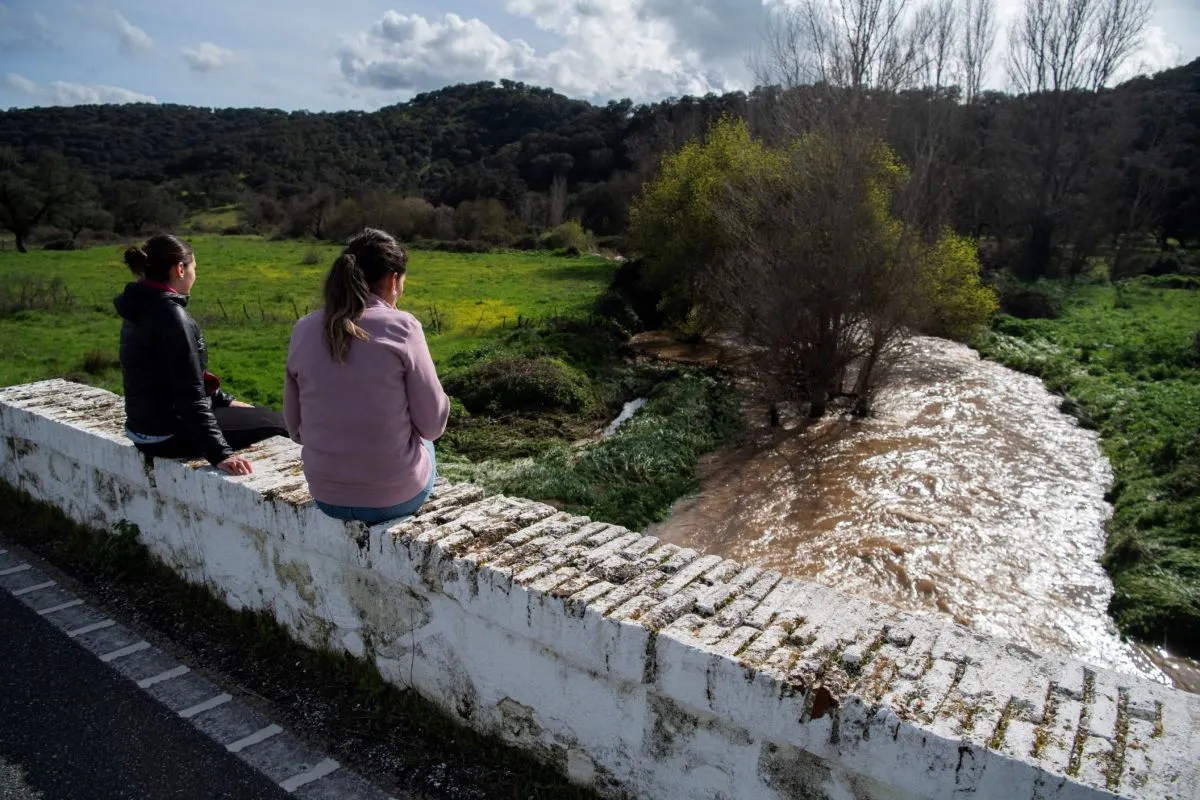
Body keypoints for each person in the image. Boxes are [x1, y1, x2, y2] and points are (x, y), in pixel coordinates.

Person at [284, 229, 449, 523]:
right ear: (393, 280)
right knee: (427, 444)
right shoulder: (403, 327)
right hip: (395, 498)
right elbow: (432, 425)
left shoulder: (303, 329)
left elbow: (295, 429)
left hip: (325, 496)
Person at [115, 234, 289, 475]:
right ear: (180, 269)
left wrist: (224, 400)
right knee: (281, 424)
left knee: (258, 414)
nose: (196, 274)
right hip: (169, 434)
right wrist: (220, 454)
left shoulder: (139, 306)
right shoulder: (171, 317)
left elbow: (173, 374)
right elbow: (188, 392)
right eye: (194, 267)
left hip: (143, 429)